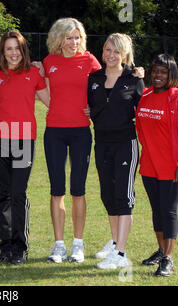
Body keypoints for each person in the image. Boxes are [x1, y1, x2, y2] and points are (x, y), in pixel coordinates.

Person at [41, 18, 102, 263]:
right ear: (58, 39)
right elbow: (39, 88)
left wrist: (94, 108)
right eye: (68, 38)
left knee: (78, 189)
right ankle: (58, 245)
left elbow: (108, 83)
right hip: (54, 131)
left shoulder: (89, 60)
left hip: (80, 132)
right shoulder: (49, 62)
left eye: (77, 37)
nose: (73, 42)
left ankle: (78, 244)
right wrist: (55, 107)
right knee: (57, 190)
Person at [0, 31, 49, 265]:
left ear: (23, 51)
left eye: (17, 48)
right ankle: (6, 246)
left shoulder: (33, 73)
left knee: (18, 192)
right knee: (1, 194)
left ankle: (20, 248)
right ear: (3, 52)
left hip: (24, 140)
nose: (13, 53)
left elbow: (52, 100)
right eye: (8, 49)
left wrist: (47, 75)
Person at [87, 33, 144, 269]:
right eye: (108, 50)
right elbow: (91, 106)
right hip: (101, 143)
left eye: (116, 51)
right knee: (107, 194)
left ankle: (120, 254)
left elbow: (144, 109)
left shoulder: (133, 78)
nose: (111, 55)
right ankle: (114, 243)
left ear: (125, 55)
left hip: (125, 144)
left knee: (123, 196)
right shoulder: (94, 77)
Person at [136, 54, 178, 277]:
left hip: (172, 166)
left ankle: (168, 259)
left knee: (169, 211)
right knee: (157, 211)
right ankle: (161, 250)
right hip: (149, 164)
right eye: (155, 71)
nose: (158, 76)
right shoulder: (146, 95)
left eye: (163, 72)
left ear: (171, 74)